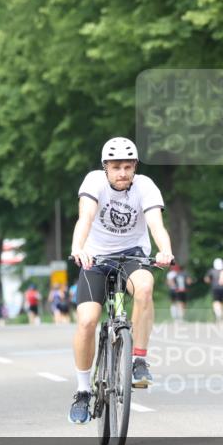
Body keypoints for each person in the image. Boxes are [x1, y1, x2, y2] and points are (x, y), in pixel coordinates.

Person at [68, 137, 174, 424]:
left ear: (135, 167)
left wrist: (165, 250)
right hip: (96, 257)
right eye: (116, 167)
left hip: (133, 255)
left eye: (128, 167)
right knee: (88, 321)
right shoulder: (94, 183)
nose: (122, 173)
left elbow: (156, 225)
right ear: (105, 168)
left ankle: (139, 360)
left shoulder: (145, 186)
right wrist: (78, 248)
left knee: (145, 287)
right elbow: (86, 218)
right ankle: (82, 390)